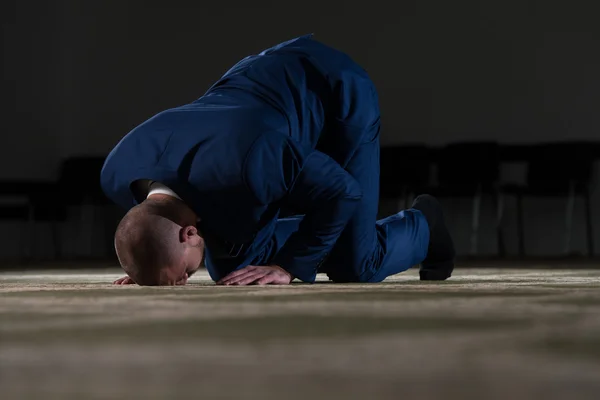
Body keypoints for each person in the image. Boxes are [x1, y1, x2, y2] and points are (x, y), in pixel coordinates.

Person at [101, 34, 455, 286]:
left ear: (189, 232)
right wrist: (149, 267)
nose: (184, 282)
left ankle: (426, 222)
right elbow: (147, 231)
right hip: (257, 93)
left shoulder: (252, 165)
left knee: (357, 262)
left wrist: (289, 265)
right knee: (234, 270)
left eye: (184, 276)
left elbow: (342, 192)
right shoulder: (117, 171)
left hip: (334, 91)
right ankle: (336, 233)